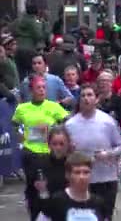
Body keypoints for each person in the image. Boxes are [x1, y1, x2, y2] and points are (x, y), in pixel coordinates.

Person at [65, 84, 121, 220]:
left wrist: (109, 153)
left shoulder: (108, 121)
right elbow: (63, 152)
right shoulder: (70, 125)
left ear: (96, 99)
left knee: (105, 216)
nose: (86, 99)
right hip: (81, 180)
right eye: (83, 96)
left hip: (107, 178)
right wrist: (69, 150)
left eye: (90, 95)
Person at [12, 76, 70, 220]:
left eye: (44, 87)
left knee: (53, 186)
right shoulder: (22, 108)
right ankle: (35, 214)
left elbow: (67, 122)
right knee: (34, 189)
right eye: (39, 87)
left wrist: (52, 129)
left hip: (50, 153)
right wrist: (21, 137)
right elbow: (14, 125)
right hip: (31, 153)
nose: (42, 90)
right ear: (31, 90)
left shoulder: (53, 106)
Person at [36, 152, 107, 221]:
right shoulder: (56, 201)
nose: (82, 177)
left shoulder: (99, 203)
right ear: (67, 175)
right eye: (77, 172)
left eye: (86, 172)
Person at [27, 126, 71, 221]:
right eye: (54, 144)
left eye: (61, 144)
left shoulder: (73, 164)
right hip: (45, 213)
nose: (58, 148)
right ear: (48, 144)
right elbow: (30, 193)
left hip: (68, 212)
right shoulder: (39, 164)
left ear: (68, 144)